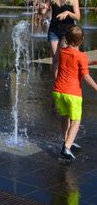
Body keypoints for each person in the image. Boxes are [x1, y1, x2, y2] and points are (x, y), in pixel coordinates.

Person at [53, 26, 97, 164]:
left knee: (65, 116)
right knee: (76, 120)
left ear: (67, 39)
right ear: (82, 40)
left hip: (58, 91)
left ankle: (67, 141)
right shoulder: (81, 56)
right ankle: (66, 148)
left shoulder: (62, 52)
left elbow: (75, 63)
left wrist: (93, 62)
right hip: (73, 94)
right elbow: (85, 76)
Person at [42, 0, 80, 77]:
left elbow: (78, 17)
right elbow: (43, 12)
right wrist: (41, 7)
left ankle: (65, 80)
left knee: (63, 56)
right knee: (55, 58)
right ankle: (57, 85)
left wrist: (67, 12)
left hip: (67, 31)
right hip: (53, 30)